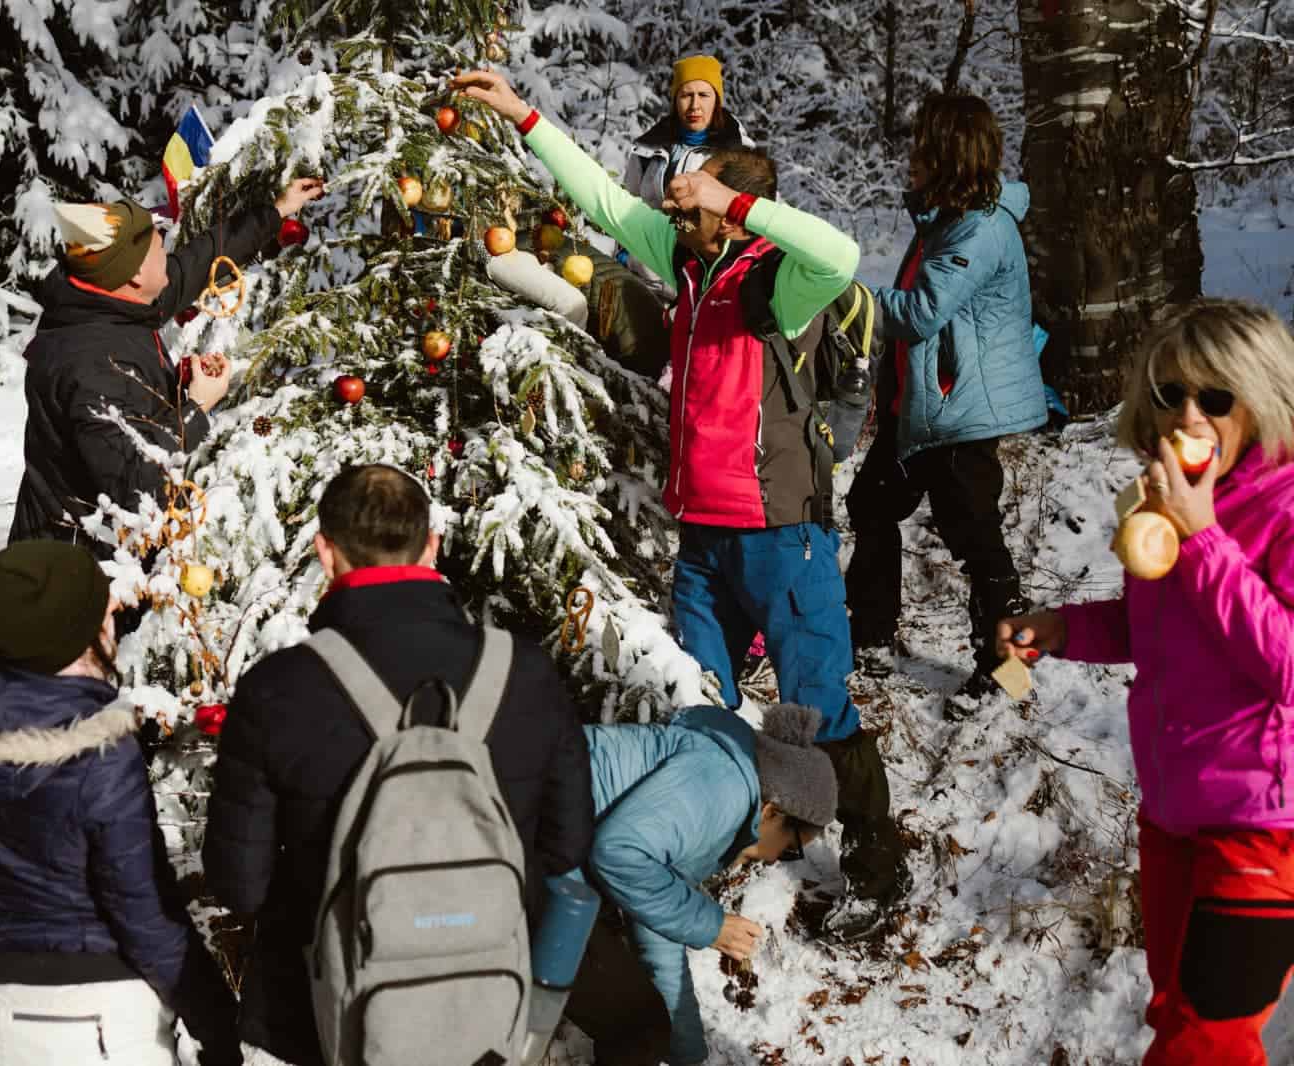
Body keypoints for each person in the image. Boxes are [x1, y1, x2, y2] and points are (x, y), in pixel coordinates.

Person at [453, 69, 908, 936]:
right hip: (703, 532)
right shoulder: (693, 265)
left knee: (815, 704)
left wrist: (734, 207)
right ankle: (724, 842)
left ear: (733, 211)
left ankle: (877, 856)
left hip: (782, 532)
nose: (673, 219)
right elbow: (603, 203)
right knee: (702, 700)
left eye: (692, 206)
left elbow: (842, 255)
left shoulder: (781, 281)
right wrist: (527, 118)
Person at [202, 463, 595, 1066]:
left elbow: (240, 884)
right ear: (432, 545)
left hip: (323, 1011)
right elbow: (567, 846)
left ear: (324, 552)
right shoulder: (526, 671)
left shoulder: (278, 689)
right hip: (483, 1001)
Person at [996, 300, 1294, 1066]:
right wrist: (1065, 629)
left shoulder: (1282, 509)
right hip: (1172, 820)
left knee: (1207, 1041)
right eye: (1168, 394)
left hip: (1263, 829)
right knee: (1179, 1018)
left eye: (1215, 397)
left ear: (1261, 401)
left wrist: (1204, 539)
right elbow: (1157, 631)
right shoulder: (1170, 506)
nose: (1187, 416)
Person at [0, 540, 240, 1066]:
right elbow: (142, 910)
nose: (113, 616)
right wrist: (215, 1021)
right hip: (98, 1023)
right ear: (78, 632)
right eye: (102, 609)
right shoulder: (99, 751)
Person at [843, 92, 1046, 718]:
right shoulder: (945, 220)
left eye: (922, 147)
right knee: (870, 504)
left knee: (976, 539)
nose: (910, 158)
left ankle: (1007, 672)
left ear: (949, 154)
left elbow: (921, 312)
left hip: (962, 415)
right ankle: (872, 636)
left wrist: (844, 298)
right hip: (921, 411)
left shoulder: (980, 228)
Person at [9, 177, 326, 555]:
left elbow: (196, 264)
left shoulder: (107, 301)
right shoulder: (94, 363)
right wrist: (195, 407)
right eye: (160, 247)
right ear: (135, 274)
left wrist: (274, 214)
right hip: (80, 567)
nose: (169, 254)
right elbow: (134, 480)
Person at [565, 703, 839, 1066]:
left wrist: (689, 1056)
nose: (775, 860)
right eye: (790, 849)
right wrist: (711, 924)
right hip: (518, 834)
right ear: (772, 812)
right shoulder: (721, 788)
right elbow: (617, 852)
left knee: (642, 1028)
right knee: (636, 1028)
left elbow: (656, 928)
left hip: (542, 839)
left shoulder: (720, 791)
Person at [619, 54, 755, 300]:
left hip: (698, 291)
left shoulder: (739, 155)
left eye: (704, 95)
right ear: (675, 100)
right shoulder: (648, 149)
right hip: (638, 279)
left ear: (717, 100)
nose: (694, 105)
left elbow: (748, 228)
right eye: (686, 95)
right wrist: (624, 253)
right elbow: (626, 205)